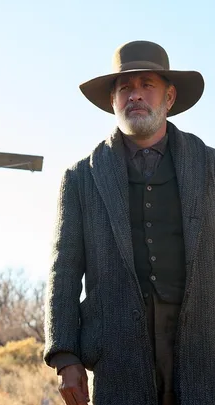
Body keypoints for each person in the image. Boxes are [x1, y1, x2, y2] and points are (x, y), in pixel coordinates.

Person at [44, 40, 215, 405]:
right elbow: (65, 269)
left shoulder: (210, 167)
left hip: (205, 347)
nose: (135, 95)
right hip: (118, 354)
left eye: (146, 85)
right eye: (125, 88)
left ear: (169, 98)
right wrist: (65, 356)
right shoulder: (81, 178)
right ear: (113, 101)